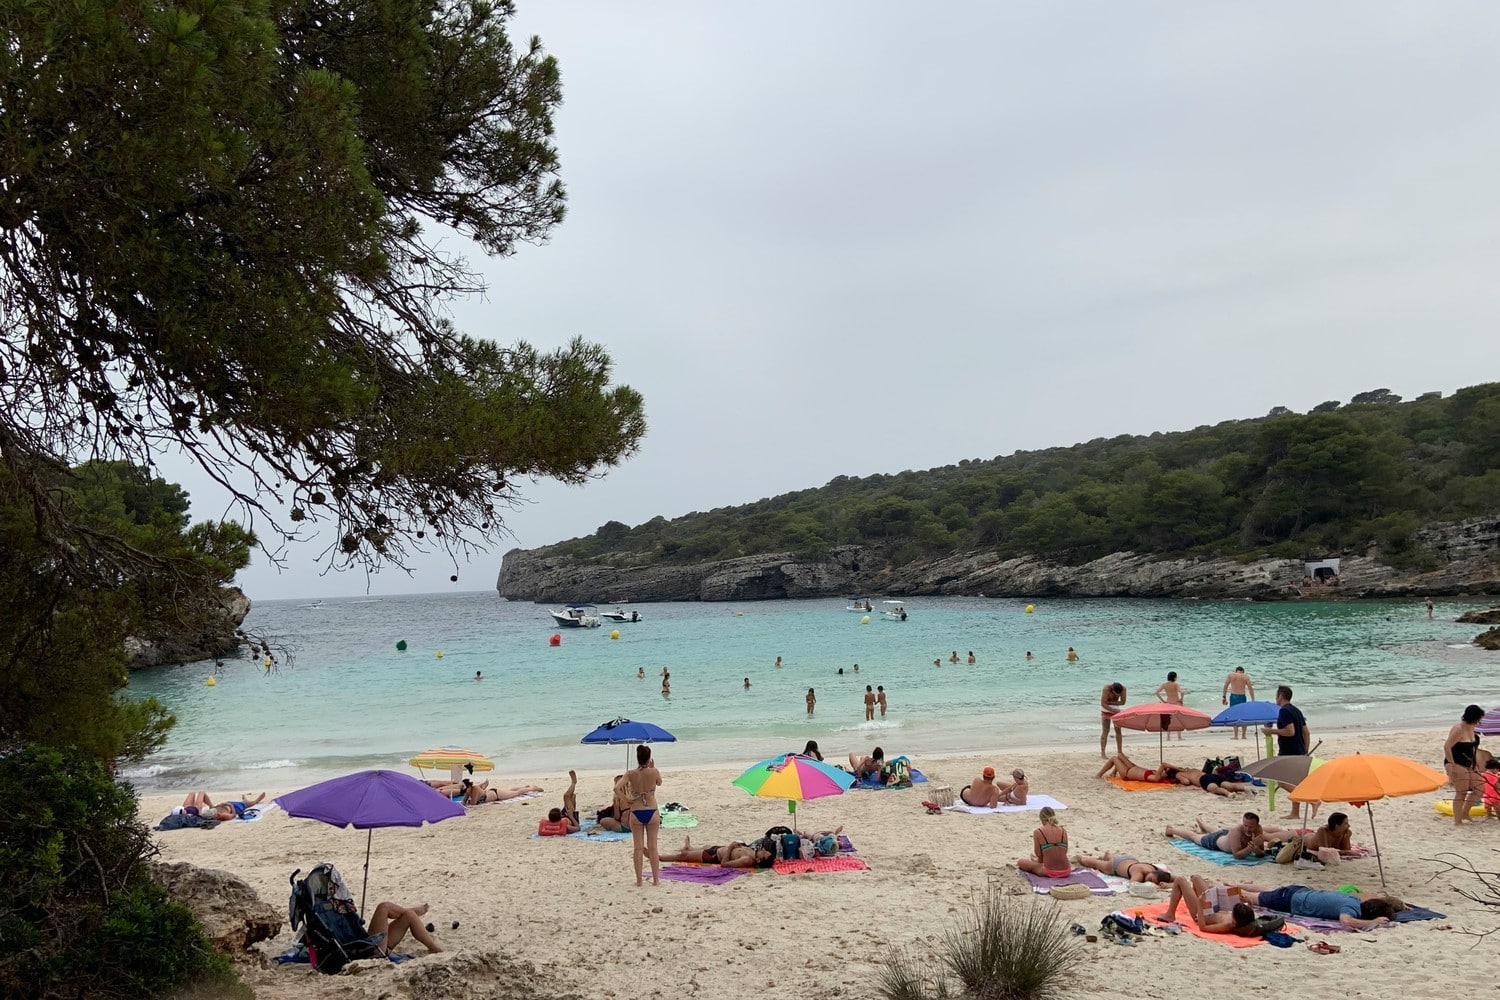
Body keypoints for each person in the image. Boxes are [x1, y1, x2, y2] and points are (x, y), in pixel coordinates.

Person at [1228, 882, 1406, 929]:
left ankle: (1233, 884)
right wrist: (1372, 922)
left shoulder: (1354, 900)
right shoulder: (1350, 910)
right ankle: (1225, 888)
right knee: (1252, 898)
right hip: (1292, 900)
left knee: (1267, 892)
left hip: (1300, 892)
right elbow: (1346, 921)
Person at [1263, 685, 1310, 819]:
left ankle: (1311, 800)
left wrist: (1270, 731)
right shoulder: (1296, 710)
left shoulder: (1284, 711)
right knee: (1294, 782)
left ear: (1281, 696)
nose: (1275, 698)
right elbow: (1306, 732)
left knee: (1281, 781)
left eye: (1276, 695)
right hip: (1299, 750)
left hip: (1288, 751)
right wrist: (1305, 750)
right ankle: (1295, 813)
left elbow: (1290, 731)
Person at [1161, 876, 1263, 935]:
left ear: (1234, 920)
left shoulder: (1227, 925)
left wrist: (1200, 906)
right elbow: (1250, 913)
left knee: (1180, 881)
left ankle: (1170, 914)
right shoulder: (1246, 917)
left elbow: (1203, 927)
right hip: (1214, 906)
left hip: (1202, 914)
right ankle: (1195, 897)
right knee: (1196, 878)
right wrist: (1249, 902)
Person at [626, 745, 661, 886]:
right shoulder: (654, 771)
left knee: (638, 848)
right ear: (648, 758)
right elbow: (659, 782)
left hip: (636, 811)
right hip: (652, 810)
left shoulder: (630, 773)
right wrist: (652, 767)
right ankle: (656, 880)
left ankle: (639, 880)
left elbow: (616, 788)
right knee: (653, 847)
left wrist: (626, 799)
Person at [1444, 704, 1485, 825]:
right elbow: (1447, 747)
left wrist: (1476, 765)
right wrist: (1452, 765)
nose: (1480, 721)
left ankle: (1465, 812)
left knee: (1479, 789)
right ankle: (1458, 820)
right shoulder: (1458, 729)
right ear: (1474, 717)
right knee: (1461, 792)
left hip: (1469, 763)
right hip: (1455, 762)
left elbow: (1473, 750)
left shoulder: (1472, 729)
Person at [1165, 813, 1265, 860]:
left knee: (1218, 830)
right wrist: (1249, 849)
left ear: (1256, 825)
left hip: (1225, 835)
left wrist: (1258, 851)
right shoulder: (1237, 831)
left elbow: (1261, 852)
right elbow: (1237, 855)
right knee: (1194, 837)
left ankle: (1203, 824)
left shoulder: (1258, 830)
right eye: (1245, 825)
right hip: (1216, 842)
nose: (1247, 829)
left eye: (1251, 827)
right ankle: (1171, 830)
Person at [365, 901, 443, 953]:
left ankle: (434, 948)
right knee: (384, 907)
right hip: (367, 948)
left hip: (376, 946)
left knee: (410, 915)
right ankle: (415, 911)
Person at [1017, 806, 1070, 878]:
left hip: (1050, 871)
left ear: (1041, 818)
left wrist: (1035, 861)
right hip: (1066, 870)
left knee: (1021, 862)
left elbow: (1039, 855)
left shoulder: (1038, 832)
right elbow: (1064, 851)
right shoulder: (1063, 830)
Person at [658, 837, 774, 869]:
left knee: (684, 856)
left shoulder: (747, 860)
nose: (763, 850)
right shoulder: (752, 852)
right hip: (718, 849)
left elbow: (724, 864)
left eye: (764, 853)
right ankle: (689, 847)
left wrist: (731, 847)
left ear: (759, 860)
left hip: (714, 856)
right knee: (705, 847)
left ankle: (661, 858)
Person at [1075, 852, 1171, 884]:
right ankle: (1082, 859)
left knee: (1109, 861)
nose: (1148, 881)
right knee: (1098, 864)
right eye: (1150, 879)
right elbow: (1132, 885)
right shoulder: (1140, 874)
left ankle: (1109, 856)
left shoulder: (1154, 869)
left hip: (1130, 859)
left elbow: (1174, 878)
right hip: (1115, 866)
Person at [537, 770, 581, 835]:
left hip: (565, 815)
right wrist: (571, 816)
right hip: (571, 817)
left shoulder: (550, 823)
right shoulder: (565, 826)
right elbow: (578, 828)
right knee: (566, 796)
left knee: (572, 796)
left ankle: (573, 789)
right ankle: (574, 783)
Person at [1221, 667, 1255, 740]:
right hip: (1242, 697)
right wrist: (1253, 699)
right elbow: (1250, 688)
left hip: (1233, 696)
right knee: (1243, 715)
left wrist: (1224, 697)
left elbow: (1225, 686)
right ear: (1243, 671)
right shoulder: (1245, 676)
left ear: (1236, 671)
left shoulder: (1231, 675)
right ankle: (1243, 735)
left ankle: (1236, 736)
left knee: (1234, 714)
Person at [1155, 671, 1187, 741]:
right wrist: (1181, 699)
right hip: (1176, 703)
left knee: (1168, 721)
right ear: (1174, 677)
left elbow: (1156, 693)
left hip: (1168, 703)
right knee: (1178, 720)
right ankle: (1179, 737)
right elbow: (1182, 692)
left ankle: (1168, 737)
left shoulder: (1164, 685)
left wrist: (1163, 701)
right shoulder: (1176, 684)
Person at [464, 780, 544, 805]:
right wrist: (465, 801)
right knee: (510, 791)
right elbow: (463, 801)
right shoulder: (468, 791)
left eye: (466, 789)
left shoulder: (475, 789)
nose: (465, 791)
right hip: (493, 793)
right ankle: (524, 787)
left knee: (517, 793)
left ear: (470, 787)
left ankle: (533, 788)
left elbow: (473, 803)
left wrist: (468, 801)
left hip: (496, 795)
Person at [1099, 682, 1126, 758]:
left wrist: (1110, 703)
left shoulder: (1123, 689)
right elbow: (1103, 703)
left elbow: (1123, 702)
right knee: (1105, 730)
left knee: (1118, 731)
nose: (1117, 696)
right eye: (1116, 694)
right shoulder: (1106, 689)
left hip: (1115, 709)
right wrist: (1111, 709)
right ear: (1112, 689)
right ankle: (1103, 752)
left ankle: (1120, 752)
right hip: (1106, 710)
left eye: (1119, 695)